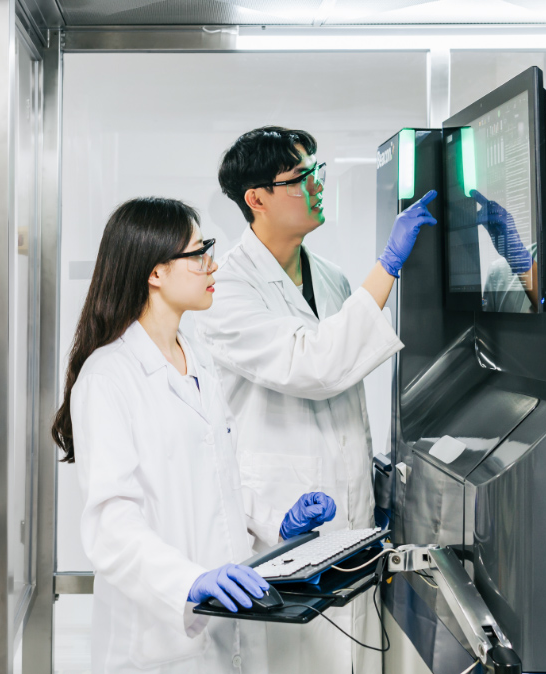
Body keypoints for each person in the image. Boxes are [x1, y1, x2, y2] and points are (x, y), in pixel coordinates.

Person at [51, 196, 339, 674]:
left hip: (224, 632)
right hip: (152, 644)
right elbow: (111, 526)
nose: (214, 264)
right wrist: (190, 581)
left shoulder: (197, 355)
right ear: (155, 272)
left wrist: (276, 523)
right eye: (197, 252)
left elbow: (217, 478)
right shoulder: (109, 378)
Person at [197, 127, 438, 674]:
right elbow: (317, 364)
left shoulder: (328, 277)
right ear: (255, 199)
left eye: (317, 172)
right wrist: (389, 265)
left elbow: (346, 385)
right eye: (301, 178)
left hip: (349, 518)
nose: (317, 185)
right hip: (276, 524)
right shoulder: (227, 289)